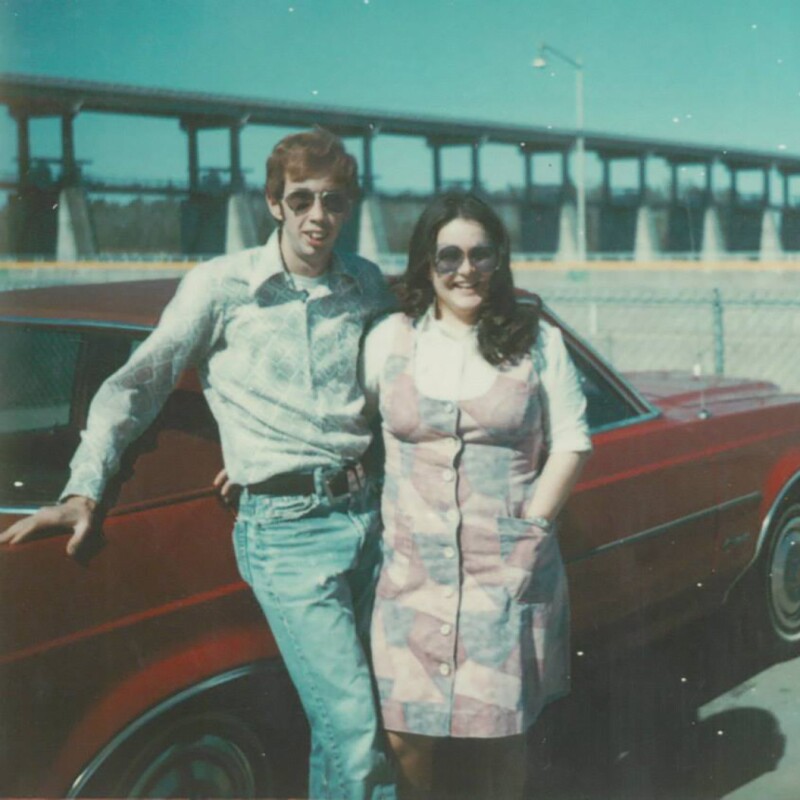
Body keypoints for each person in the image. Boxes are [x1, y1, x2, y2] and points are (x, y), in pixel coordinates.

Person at [0, 128, 397, 800]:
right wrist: (83, 490)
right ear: (274, 203)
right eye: (301, 199)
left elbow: (389, 386)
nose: (317, 216)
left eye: (333, 201)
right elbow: (134, 388)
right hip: (288, 533)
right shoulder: (221, 286)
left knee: (349, 724)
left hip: (368, 518)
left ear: (347, 206)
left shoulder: (364, 282)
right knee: (357, 732)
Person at [360, 191, 592, 799]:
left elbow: (572, 442)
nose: (466, 270)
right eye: (449, 256)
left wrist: (531, 530)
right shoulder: (390, 339)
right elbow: (350, 428)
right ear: (426, 262)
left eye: (480, 254)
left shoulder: (539, 341)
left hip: (503, 573)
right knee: (407, 735)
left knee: (499, 737)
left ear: (499, 260)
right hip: (411, 578)